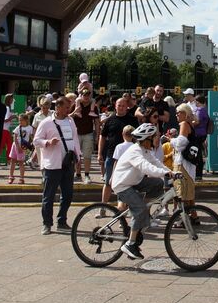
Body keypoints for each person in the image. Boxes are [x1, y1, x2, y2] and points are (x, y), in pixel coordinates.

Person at [111, 123, 172, 260]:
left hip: (134, 182)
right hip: (123, 185)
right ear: (146, 139)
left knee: (157, 184)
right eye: (154, 137)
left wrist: (170, 172)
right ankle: (130, 244)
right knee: (140, 210)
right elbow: (146, 168)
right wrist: (165, 173)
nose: (157, 139)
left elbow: (155, 163)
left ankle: (139, 214)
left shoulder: (145, 151)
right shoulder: (135, 151)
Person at [34, 96, 78, 234]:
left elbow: (75, 139)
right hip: (52, 164)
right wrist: (47, 142)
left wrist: (78, 156)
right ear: (58, 107)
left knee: (68, 194)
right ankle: (46, 223)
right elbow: (36, 140)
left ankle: (62, 221)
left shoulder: (71, 121)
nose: (68, 110)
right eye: (66, 108)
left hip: (68, 163)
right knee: (49, 195)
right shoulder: (46, 122)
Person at [73, 88, 98, 184]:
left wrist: (97, 135)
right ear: (81, 95)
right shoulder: (75, 105)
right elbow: (69, 117)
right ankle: (78, 174)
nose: (86, 96)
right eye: (84, 95)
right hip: (76, 134)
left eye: (88, 95)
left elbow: (96, 122)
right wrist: (75, 112)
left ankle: (87, 175)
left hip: (88, 133)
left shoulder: (94, 107)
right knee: (77, 155)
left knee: (87, 156)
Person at [8, 112, 34, 185]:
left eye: (21, 120)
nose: (20, 122)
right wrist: (17, 146)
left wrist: (28, 146)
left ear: (26, 120)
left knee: (21, 162)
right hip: (16, 146)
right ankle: (11, 176)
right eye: (19, 120)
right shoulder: (18, 127)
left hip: (23, 147)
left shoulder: (30, 128)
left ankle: (21, 178)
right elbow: (15, 137)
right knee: (13, 161)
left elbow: (31, 137)